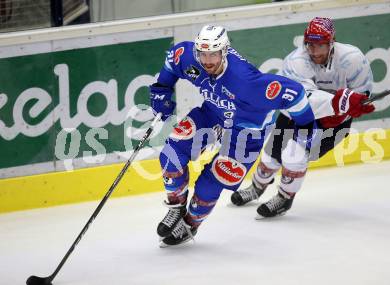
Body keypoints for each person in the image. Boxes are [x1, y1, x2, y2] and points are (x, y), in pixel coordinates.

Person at [149, 24, 321, 247]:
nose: (207, 60)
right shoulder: (189, 57)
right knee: (171, 155)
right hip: (213, 115)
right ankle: (176, 207)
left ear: (225, 51)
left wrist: (307, 125)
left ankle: (190, 224)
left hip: (246, 131)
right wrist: (161, 90)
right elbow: (173, 61)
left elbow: (294, 93)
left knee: (211, 184)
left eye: (213, 54)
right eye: (203, 53)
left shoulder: (246, 81)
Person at [230, 17, 375, 218]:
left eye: (320, 45)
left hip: (335, 123)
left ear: (331, 43)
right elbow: (297, 100)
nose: (314, 51)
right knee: (271, 155)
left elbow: (362, 92)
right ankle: (256, 187)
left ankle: (284, 198)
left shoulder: (352, 58)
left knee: (294, 155)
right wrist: (338, 104)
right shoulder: (296, 61)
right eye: (310, 44)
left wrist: (358, 103)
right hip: (297, 114)